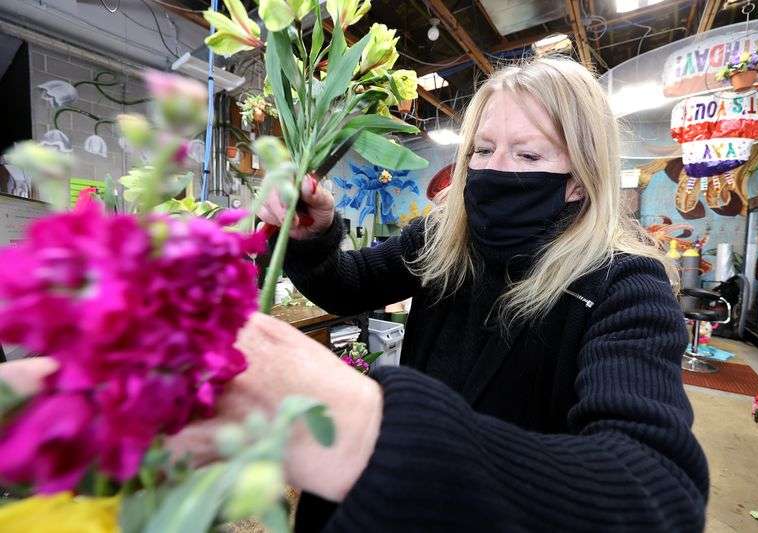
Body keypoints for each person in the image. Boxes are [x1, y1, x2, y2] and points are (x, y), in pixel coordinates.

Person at [2, 56, 710, 532]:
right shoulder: (446, 236)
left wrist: (368, 424)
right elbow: (350, 285)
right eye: (482, 152)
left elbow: (656, 493)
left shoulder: (624, 288)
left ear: (581, 176)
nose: (496, 171)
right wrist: (316, 234)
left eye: (527, 156)